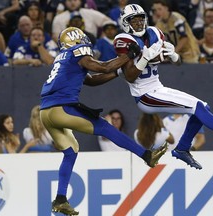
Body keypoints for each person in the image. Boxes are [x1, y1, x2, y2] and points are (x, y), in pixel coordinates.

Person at [113, 4, 213, 170]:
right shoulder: (123, 40)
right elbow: (130, 76)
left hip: (157, 87)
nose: (139, 24)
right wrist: (145, 58)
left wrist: (173, 55)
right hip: (144, 95)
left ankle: (183, 148)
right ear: (126, 23)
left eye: (141, 19)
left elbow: (176, 62)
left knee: (203, 107)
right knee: (197, 107)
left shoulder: (155, 33)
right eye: (134, 21)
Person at [40, 26, 167, 215]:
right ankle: (147, 156)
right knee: (105, 127)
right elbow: (103, 66)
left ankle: (60, 199)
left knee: (71, 152)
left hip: (45, 113)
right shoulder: (78, 51)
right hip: (62, 108)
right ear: (77, 38)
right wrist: (128, 56)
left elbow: (91, 80)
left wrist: (118, 72)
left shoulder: (63, 57)